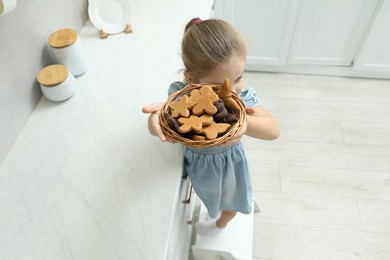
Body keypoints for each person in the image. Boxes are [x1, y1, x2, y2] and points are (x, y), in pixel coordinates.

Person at [142, 18, 280, 236]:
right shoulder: (183, 96)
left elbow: (273, 130)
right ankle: (214, 212)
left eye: (239, 78)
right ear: (191, 80)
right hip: (199, 167)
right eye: (218, 86)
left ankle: (221, 224)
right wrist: (155, 122)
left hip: (230, 167)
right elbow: (164, 124)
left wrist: (245, 122)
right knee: (209, 197)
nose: (231, 91)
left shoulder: (242, 100)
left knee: (231, 204)